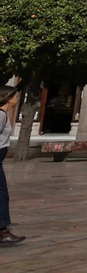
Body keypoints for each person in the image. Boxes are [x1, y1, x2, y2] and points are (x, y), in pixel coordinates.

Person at [0, 88, 19, 245]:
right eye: (15, 96)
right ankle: (3, 232)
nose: (17, 98)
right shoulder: (0, 115)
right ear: (8, 99)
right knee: (1, 193)